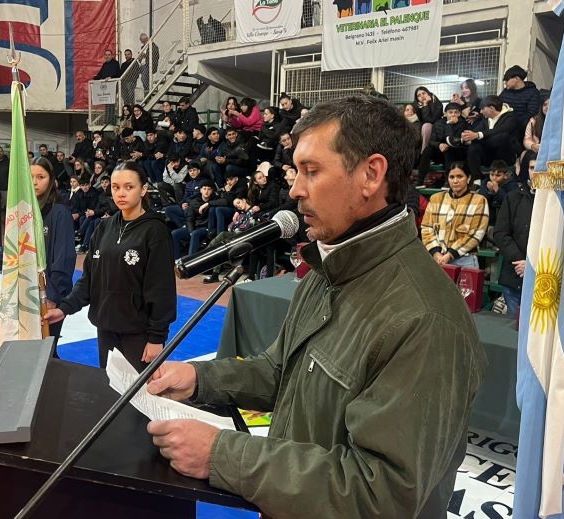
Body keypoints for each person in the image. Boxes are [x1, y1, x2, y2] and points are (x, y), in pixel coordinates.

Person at [145, 96, 486, 518]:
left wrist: (223, 455)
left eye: (311, 171)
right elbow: (279, 372)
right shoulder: (329, 268)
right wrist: (199, 378)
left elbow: (381, 493)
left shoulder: (425, 319)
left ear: (371, 174)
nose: (294, 189)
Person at [44, 161, 176, 372]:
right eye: (116, 187)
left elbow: (161, 288)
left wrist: (156, 337)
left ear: (143, 189)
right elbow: (89, 279)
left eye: (129, 187)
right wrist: (64, 309)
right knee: (108, 386)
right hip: (106, 328)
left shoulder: (155, 231)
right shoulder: (104, 227)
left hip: (138, 333)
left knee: (138, 391)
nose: (121, 193)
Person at [30, 157, 75, 345]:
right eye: (31, 177)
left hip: (49, 294)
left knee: (46, 349)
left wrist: (53, 296)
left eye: (41, 177)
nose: (35, 182)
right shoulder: (26, 211)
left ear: (51, 180)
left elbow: (64, 258)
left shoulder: (59, 212)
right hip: (26, 291)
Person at [421, 163, 489, 268]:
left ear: (468, 178)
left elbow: (476, 234)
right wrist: (435, 252)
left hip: (465, 260)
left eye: (460, 176)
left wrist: (450, 254)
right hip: (437, 259)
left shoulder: (479, 201)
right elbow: (426, 227)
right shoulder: (435, 199)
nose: (455, 181)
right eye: (451, 177)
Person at [493, 155, 535, 317]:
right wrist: (520, 261)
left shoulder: (557, 201)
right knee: (513, 328)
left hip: (544, 277)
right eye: (532, 168)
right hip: (514, 274)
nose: (536, 172)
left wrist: (531, 265)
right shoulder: (513, 197)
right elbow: (500, 233)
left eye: (540, 167)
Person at [462, 95, 522, 182]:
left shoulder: (511, 117)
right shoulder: (485, 119)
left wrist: (479, 135)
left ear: (491, 108)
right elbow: (475, 132)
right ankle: (477, 179)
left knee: (502, 137)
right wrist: (467, 136)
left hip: (505, 156)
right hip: (489, 155)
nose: (481, 112)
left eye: (482, 109)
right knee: (474, 146)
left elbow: (501, 130)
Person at [499, 65, 541, 130]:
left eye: (507, 80)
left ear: (516, 78)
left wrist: (512, 123)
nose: (505, 83)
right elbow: (497, 105)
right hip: (504, 126)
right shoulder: (505, 92)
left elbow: (531, 113)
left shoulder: (533, 93)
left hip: (522, 128)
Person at [478, 159, 518, 224]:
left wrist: (498, 191)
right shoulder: (485, 182)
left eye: (498, 175)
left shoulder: (512, 185)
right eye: (492, 174)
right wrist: (489, 191)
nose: (494, 178)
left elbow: (511, 203)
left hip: (505, 219)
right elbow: (481, 200)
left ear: (505, 175)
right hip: (488, 218)